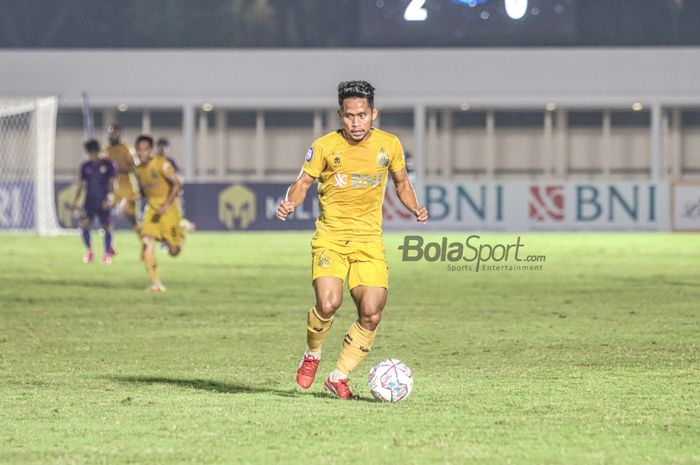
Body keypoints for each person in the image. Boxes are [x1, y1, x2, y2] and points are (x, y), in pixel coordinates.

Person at [276, 80, 428, 399]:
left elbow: (401, 183)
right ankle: (312, 354)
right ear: (340, 115)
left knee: (372, 311)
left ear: (373, 113)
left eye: (362, 115)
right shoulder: (325, 146)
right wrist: (291, 202)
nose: (355, 122)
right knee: (328, 303)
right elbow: (303, 182)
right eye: (349, 116)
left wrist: (415, 206)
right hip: (331, 238)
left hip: (369, 242)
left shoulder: (390, 146)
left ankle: (339, 375)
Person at [130, 135, 185, 292]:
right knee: (147, 244)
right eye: (140, 150)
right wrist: (129, 198)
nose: (143, 153)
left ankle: (183, 231)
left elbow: (177, 184)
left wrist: (166, 204)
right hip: (152, 210)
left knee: (174, 251)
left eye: (146, 149)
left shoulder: (161, 163)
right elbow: (144, 191)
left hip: (168, 210)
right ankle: (156, 283)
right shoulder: (138, 169)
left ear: (151, 150)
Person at [72, 139, 117, 265]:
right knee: (85, 224)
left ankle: (107, 254)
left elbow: (113, 183)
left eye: (95, 153)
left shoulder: (109, 165)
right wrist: (76, 201)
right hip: (90, 201)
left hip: (104, 201)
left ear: (99, 151)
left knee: (107, 227)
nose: (93, 156)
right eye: (91, 154)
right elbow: (82, 185)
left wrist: (110, 197)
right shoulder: (85, 167)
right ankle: (89, 252)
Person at [105, 124, 140, 235]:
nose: (112, 135)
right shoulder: (107, 150)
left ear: (120, 134)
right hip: (112, 187)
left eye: (115, 132)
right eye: (111, 132)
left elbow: (134, 167)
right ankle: (108, 244)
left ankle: (143, 239)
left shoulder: (126, 148)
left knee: (131, 217)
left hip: (127, 186)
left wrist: (117, 169)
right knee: (105, 213)